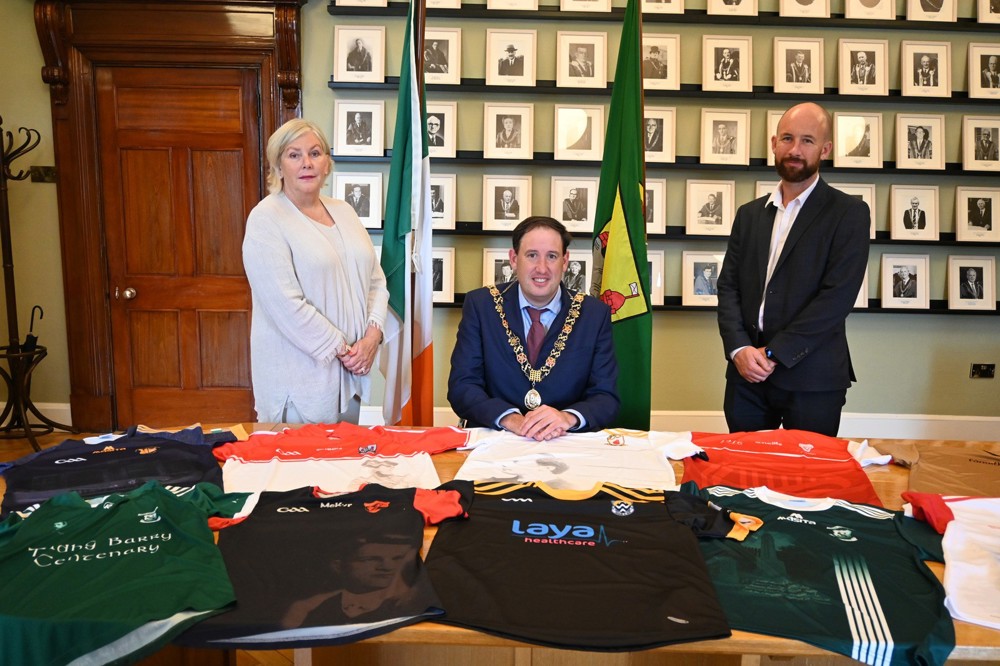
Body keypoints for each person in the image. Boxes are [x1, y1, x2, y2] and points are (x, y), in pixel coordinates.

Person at [716, 102, 870, 437]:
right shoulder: (749, 214)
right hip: (746, 377)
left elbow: (836, 299)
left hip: (812, 378)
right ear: (774, 144)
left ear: (825, 149)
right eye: (787, 138)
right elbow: (728, 287)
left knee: (809, 483)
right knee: (745, 480)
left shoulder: (849, 213)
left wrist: (774, 353)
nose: (795, 150)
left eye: (807, 141)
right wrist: (739, 349)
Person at [243, 118, 388, 424]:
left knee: (344, 467)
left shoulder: (344, 211)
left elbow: (375, 280)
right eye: (294, 155)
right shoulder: (266, 219)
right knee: (299, 469)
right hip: (301, 378)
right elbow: (287, 306)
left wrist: (373, 336)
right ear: (279, 167)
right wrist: (347, 350)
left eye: (315, 153)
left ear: (327, 164)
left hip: (352, 374)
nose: (306, 163)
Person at [448, 216, 619, 439]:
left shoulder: (594, 314)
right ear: (514, 258)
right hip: (498, 438)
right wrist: (511, 419)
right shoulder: (481, 305)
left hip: (566, 441)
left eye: (552, 256)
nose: (542, 268)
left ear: (565, 261)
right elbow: (463, 387)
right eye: (531, 255)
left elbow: (606, 397)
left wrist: (567, 418)